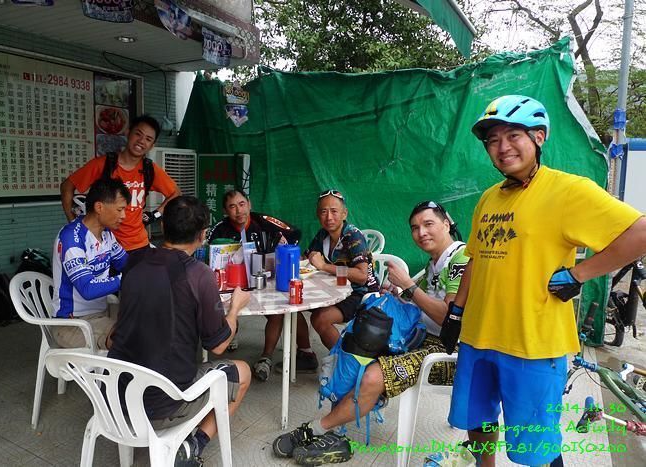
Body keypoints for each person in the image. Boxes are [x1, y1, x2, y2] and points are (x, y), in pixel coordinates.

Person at [442, 95, 646, 467]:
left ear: (538, 137)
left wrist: (580, 274)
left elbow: (640, 232)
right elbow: (475, 258)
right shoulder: (488, 199)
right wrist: (455, 313)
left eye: (513, 136)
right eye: (492, 140)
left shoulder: (568, 190)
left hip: (533, 344)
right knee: (478, 421)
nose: (502, 147)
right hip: (477, 336)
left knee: (536, 446)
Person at [272, 200, 466, 466]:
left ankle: (316, 428)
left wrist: (408, 287)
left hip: (448, 349)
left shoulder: (459, 259)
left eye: (428, 224)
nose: (421, 232)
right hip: (416, 335)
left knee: (371, 374)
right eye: (415, 227)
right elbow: (416, 301)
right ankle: (336, 434)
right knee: (353, 349)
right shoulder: (435, 262)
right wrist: (399, 292)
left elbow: (448, 318)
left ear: (446, 224)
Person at [108, 196, 252, 466]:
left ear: (163, 228)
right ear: (203, 235)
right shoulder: (199, 274)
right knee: (242, 371)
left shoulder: (133, 263)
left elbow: (118, 328)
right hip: (163, 405)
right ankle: (193, 445)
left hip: (115, 398)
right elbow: (218, 346)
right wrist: (235, 308)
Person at [207, 189, 311, 380]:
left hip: (264, 279)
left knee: (279, 311)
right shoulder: (219, 229)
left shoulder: (263, 221)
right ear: (225, 211)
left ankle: (266, 358)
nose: (239, 211)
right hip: (233, 282)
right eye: (232, 207)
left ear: (249, 204)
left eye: (242, 204)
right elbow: (209, 253)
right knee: (218, 304)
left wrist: (283, 245)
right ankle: (231, 331)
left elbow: (295, 233)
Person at [60, 114, 181, 254]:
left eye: (148, 139)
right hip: (105, 246)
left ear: (152, 145)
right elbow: (67, 186)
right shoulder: (104, 164)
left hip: (139, 245)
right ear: (128, 133)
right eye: (138, 134)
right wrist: (74, 224)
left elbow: (176, 193)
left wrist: (155, 215)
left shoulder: (149, 169)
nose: (141, 141)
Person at [52, 178, 130, 350]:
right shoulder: (72, 239)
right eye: (120, 209)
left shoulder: (106, 235)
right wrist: (126, 279)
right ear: (99, 207)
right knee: (130, 337)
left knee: (145, 319)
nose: (124, 216)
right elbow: (88, 289)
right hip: (73, 324)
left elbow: (126, 263)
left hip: (101, 312)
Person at [305, 189, 379, 351]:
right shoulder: (323, 235)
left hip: (361, 293)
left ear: (344, 214)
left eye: (334, 211)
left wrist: (324, 266)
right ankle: (305, 352)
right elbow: (307, 256)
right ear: (318, 215)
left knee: (320, 319)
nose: (329, 217)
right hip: (337, 287)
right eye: (323, 212)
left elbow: (361, 276)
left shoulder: (353, 236)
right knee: (295, 305)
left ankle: (343, 360)